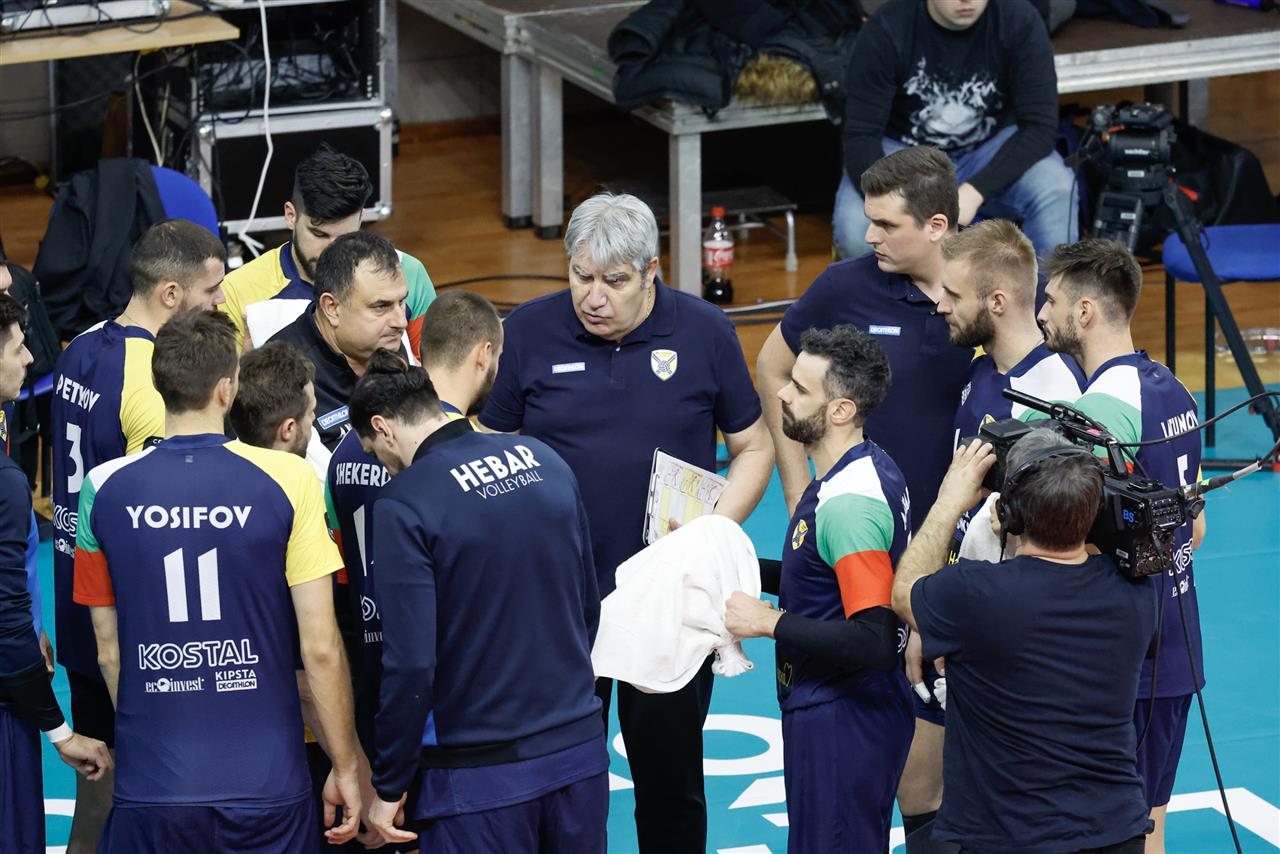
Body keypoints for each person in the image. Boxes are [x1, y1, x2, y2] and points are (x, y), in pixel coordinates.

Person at [478, 192, 773, 853]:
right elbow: (490, 448)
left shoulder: (705, 331)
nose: (594, 297)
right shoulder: (528, 330)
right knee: (556, 786)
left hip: (668, 604)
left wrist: (708, 536)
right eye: (581, 276)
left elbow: (753, 447)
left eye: (613, 281)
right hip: (558, 601)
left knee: (670, 787)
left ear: (651, 272)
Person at [72, 310, 362, 852]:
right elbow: (320, 647)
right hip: (267, 781)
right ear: (227, 390)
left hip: (154, 783)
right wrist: (346, 765)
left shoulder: (101, 487)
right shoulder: (290, 478)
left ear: (158, 384)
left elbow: (109, 653)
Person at [350, 350, 607, 853]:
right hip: (578, 751)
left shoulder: (403, 502)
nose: (382, 465)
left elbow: (410, 663)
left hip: (477, 779)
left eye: (373, 452)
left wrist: (390, 783)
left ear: (382, 428)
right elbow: (587, 606)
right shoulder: (544, 458)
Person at [895, 219, 1085, 847]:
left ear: (997, 301)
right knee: (918, 788)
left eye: (952, 294)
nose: (939, 305)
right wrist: (931, 616)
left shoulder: (1054, 397)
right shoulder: (981, 372)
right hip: (957, 611)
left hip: (1005, 638)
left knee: (989, 804)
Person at [49, 218, 226, 852]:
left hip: (72, 596)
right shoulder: (152, 384)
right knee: (148, 794)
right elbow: (157, 523)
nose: (221, 304)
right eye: (211, 290)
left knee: (99, 789)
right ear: (171, 293)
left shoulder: (79, 346)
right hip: (127, 627)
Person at [891, 431, 1156, 854]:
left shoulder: (975, 595)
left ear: (1009, 514)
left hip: (1009, 837)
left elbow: (905, 591)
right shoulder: (1137, 594)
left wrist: (948, 502)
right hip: (1116, 832)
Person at [1036, 239, 1206, 854]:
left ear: (1084, 311)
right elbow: (1196, 526)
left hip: (1121, 661)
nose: (1041, 313)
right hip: (1175, 645)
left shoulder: (1097, 409)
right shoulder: (1174, 388)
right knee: (1147, 825)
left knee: (1103, 833)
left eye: (1051, 300)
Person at [724, 324, 914, 854]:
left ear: (840, 410)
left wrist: (768, 622)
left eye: (800, 389)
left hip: (842, 721)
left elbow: (875, 640)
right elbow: (816, 576)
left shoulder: (849, 506)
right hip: (835, 709)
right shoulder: (859, 467)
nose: (782, 394)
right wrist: (723, 557)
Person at [758, 146, 974, 526]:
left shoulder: (1002, 284)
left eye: (887, 225)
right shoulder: (842, 287)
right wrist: (798, 494)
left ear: (936, 226)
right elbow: (772, 367)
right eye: (870, 220)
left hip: (975, 529)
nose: (870, 236)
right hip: (867, 523)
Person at [326, 290, 500, 758]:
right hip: (454, 701)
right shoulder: (462, 461)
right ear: (484, 355)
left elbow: (341, 577)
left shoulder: (342, 453)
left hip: (374, 667)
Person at [835, 0, 1077, 261]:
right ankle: (891, 289)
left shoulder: (1019, 20)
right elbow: (861, 135)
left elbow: (1040, 126)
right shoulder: (887, 28)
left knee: (1056, 189)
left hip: (989, 147)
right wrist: (901, 202)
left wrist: (975, 192)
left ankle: (1048, 287)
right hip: (906, 157)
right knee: (855, 230)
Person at [0, 293, 112, 854]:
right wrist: (60, 732)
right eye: (17, 348)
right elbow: (4, 622)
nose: (29, 359)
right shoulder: (6, 484)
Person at [218, 144, 436, 353]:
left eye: (344, 237)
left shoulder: (406, 273)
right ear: (291, 216)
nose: (330, 252)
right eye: (319, 234)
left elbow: (433, 369)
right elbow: (222, 378)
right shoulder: (236, 292)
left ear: (361, 218)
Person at [268, 230, 414, 477]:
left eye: (401, 302)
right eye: (381, 306)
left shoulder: (386, 339)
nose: (401, 321)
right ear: (332, 308)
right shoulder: (280, 377)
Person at [227, 340, 318, 457]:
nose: (313, 417)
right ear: (288, 429)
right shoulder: (306, 447)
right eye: (310, 412)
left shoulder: (312, 443)